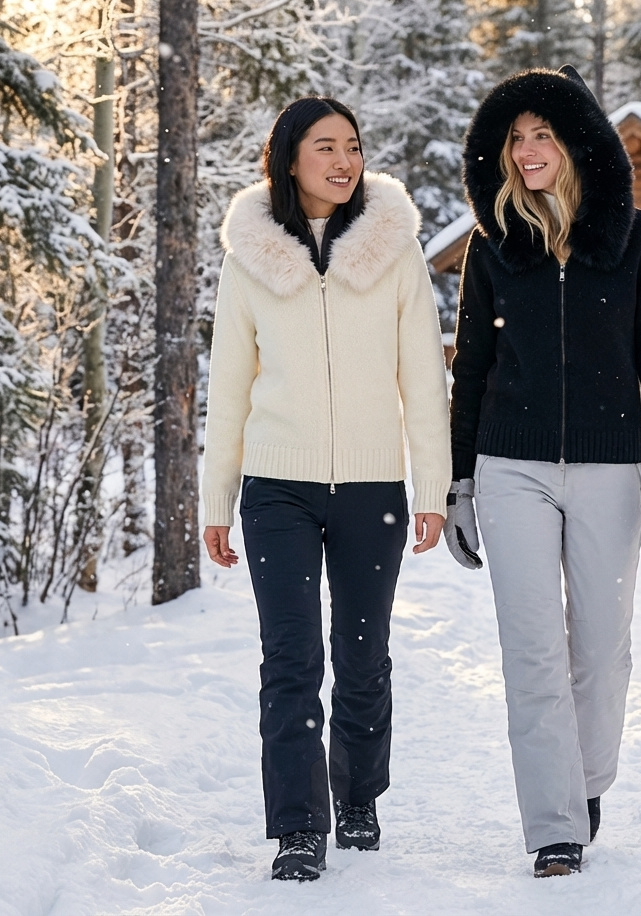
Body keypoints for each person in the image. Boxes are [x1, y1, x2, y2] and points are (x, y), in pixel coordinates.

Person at [443, 67, 641, 877]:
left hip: (608, 468)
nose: (527, 151)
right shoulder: (492, 245)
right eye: (516, 138)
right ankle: (555, 825)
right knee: (532, 649)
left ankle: (584, 784)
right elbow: (471, 368)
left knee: (600, 650)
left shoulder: (636, 240)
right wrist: (459, 482)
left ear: (578, 143)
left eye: (543, 135)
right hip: (510, 467)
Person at [201, 97, 451, 882]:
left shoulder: (394, 251)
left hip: (372, 487)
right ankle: (299, 827)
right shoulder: (248, 258)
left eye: (352, 146)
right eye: (325, 147)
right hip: (276, 487)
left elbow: (423, 377)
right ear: (289, 159)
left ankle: (360, 796)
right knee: (291, 658)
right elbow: (228, 388)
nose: (344, 161)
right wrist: (216, 502)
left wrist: (432, 488)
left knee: (363, 655)